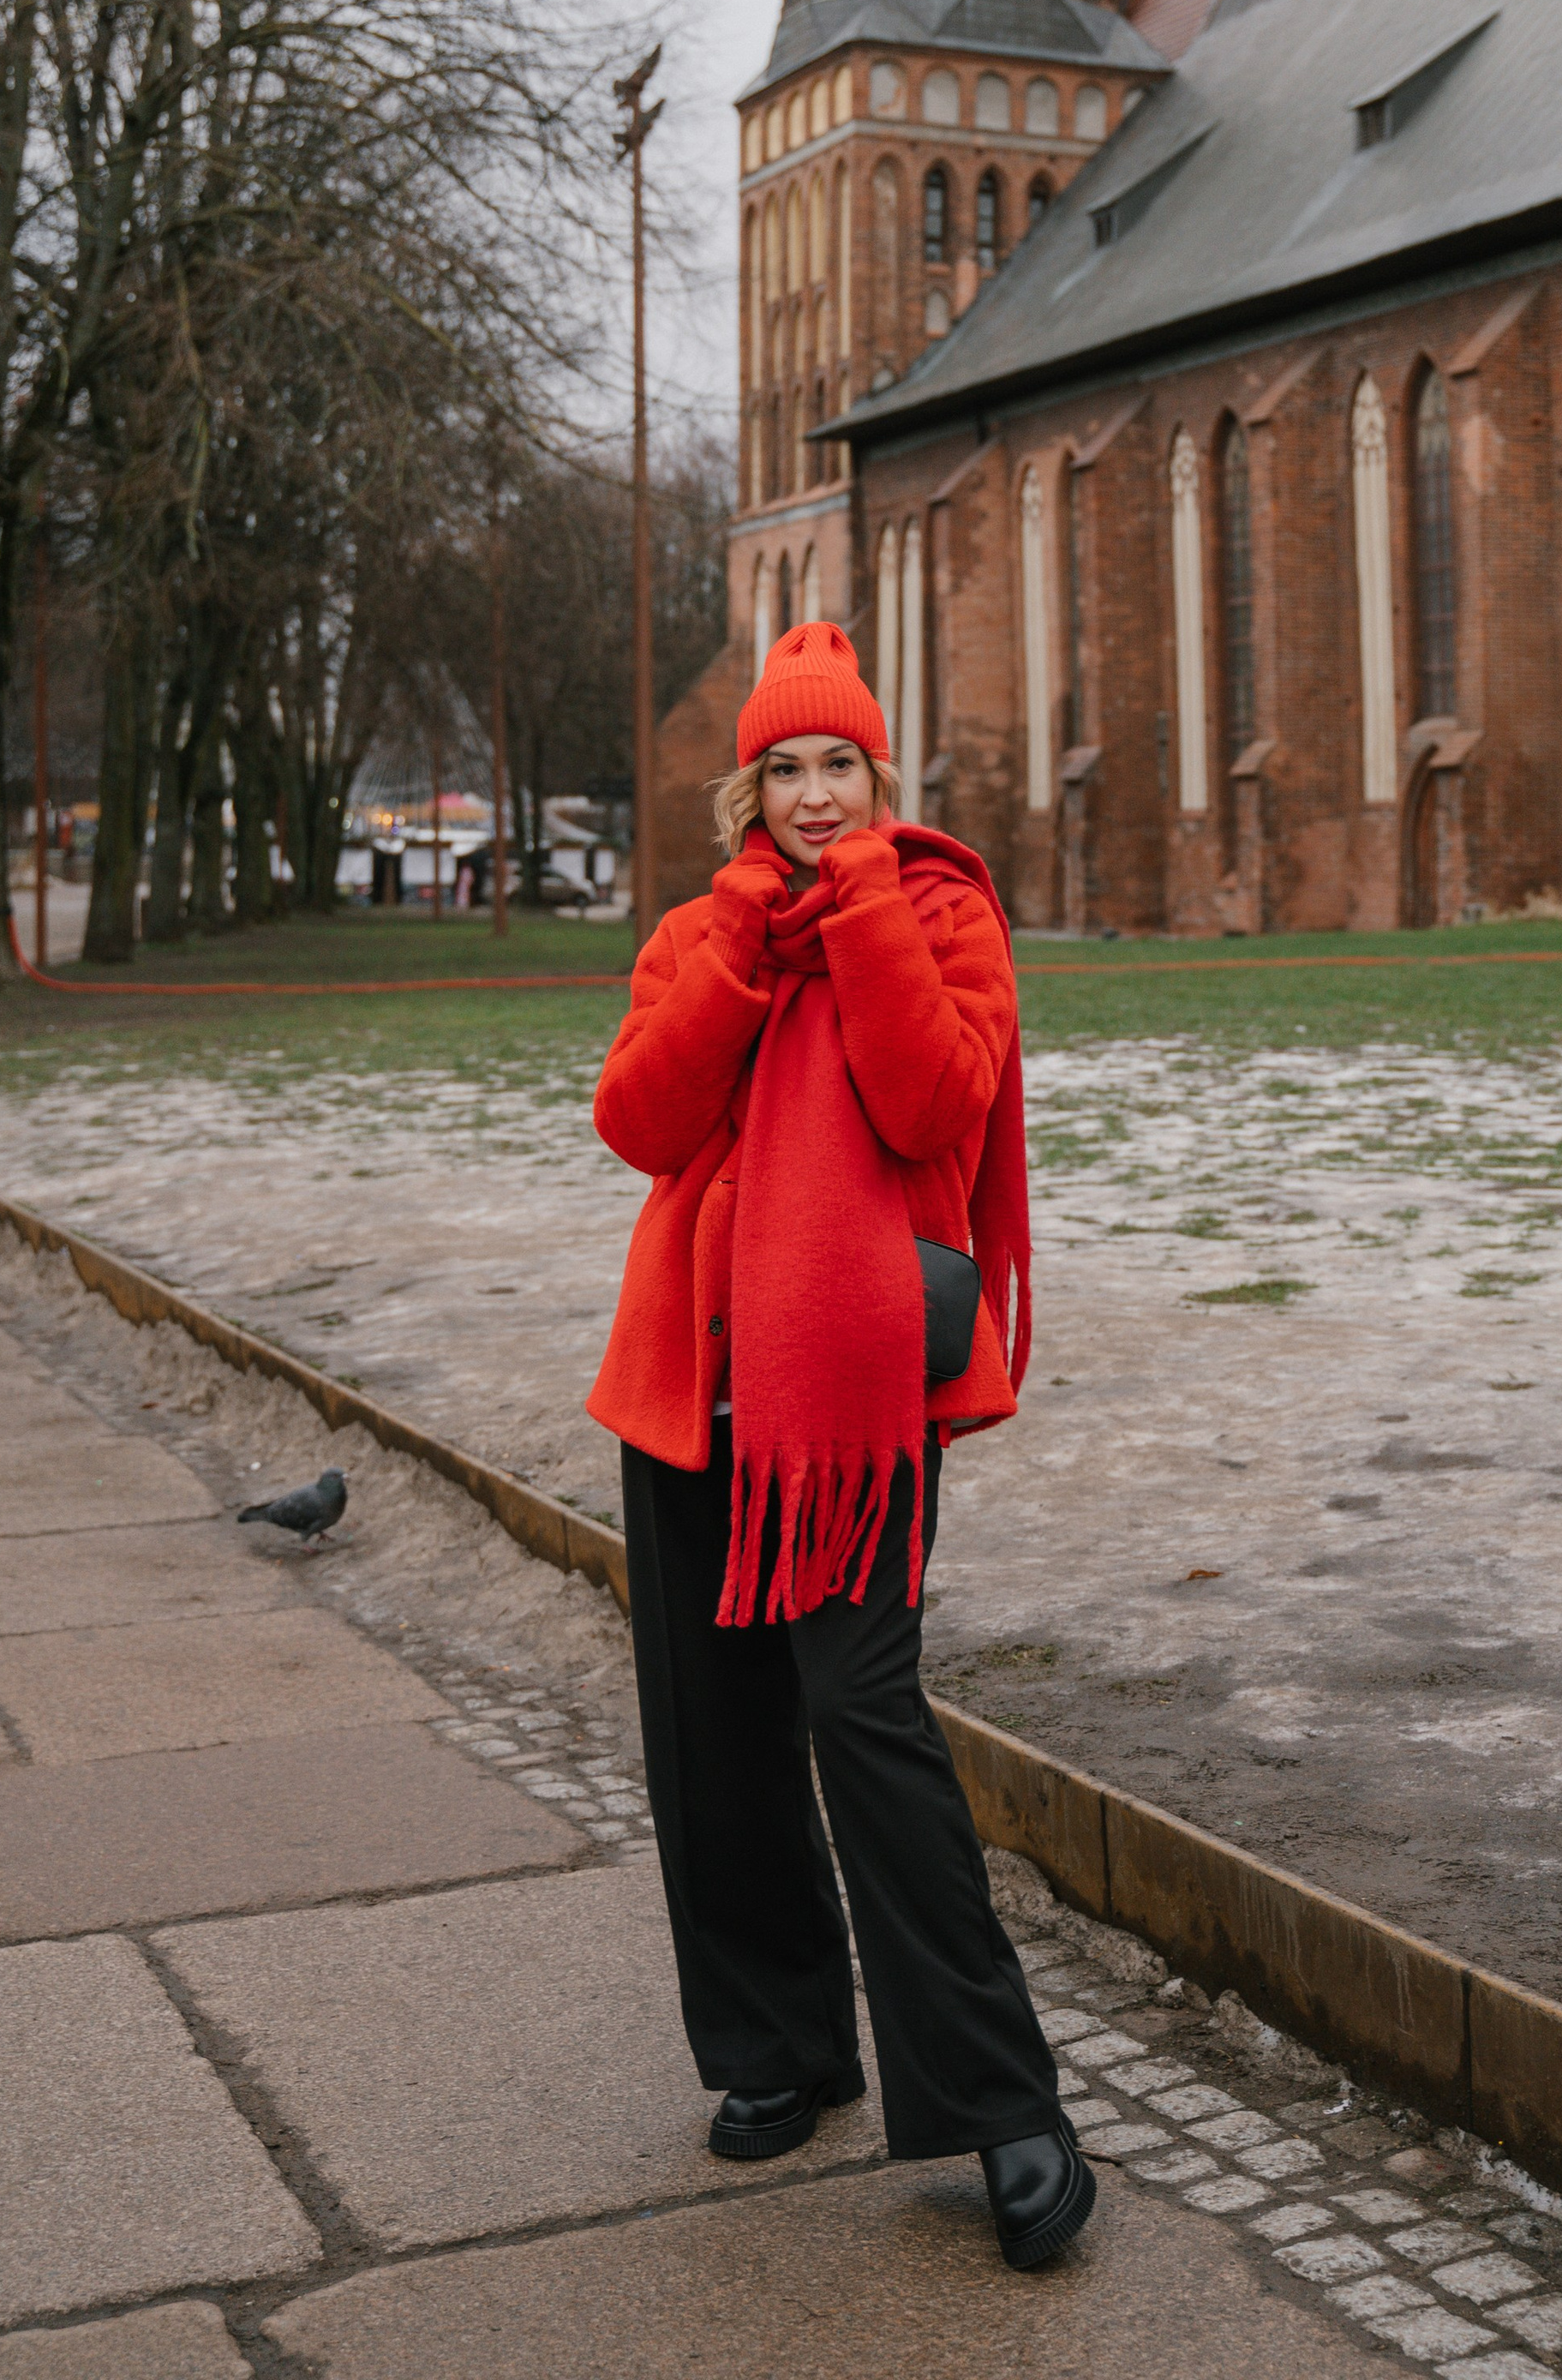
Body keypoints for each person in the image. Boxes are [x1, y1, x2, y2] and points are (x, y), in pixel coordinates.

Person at [588, 620, 1092, 2270]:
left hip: (857, 1405)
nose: (813, 797)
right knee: (712, 1737)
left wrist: (862, 902)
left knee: (863, 1720)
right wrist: (742, 936)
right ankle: (778, 2056)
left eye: (842, 767)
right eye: (787, 770)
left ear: (882, 777)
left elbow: (931, 1106)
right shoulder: (699, 931)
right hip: (692, 1389)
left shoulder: (937, 910)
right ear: (749, 786)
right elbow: (643, 1124)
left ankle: (1005, 2106)